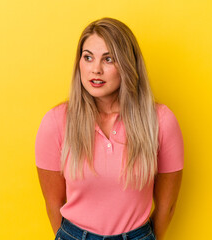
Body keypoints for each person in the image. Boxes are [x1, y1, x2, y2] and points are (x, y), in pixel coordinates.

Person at [35, 17, 184, 240]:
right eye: (88, 57)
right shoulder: (56, 122)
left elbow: (167, 206)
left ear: (127, 64)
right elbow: (53, 203)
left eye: (108, 59)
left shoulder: (161, 121)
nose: (96, 69)